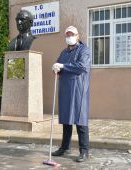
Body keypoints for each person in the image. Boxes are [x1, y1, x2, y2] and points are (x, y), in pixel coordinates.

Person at [51, 26, 91, 162]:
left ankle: (84, 151)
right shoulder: (64, 52)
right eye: (67, 35)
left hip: (79, 89)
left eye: (72, 34)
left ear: (77, 36)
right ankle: (65, 147)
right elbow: (59, 66)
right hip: (65, 89)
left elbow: (82, 67)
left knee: (80, 120)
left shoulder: (84, 50)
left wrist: (63, 66)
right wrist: (56, 68)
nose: (69, 37)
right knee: (66, 120)